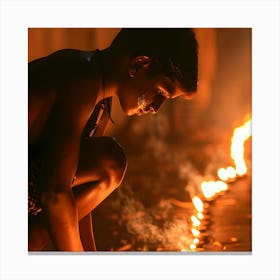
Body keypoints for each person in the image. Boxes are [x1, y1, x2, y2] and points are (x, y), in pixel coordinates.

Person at [28, 28, 198, 251]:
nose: (156, 107)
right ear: (139, 64)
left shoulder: (100, 102)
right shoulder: (81, 76)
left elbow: (72, 196)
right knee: (109, 162)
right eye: (161, 93)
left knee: (109, 163)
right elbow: (56, 192)